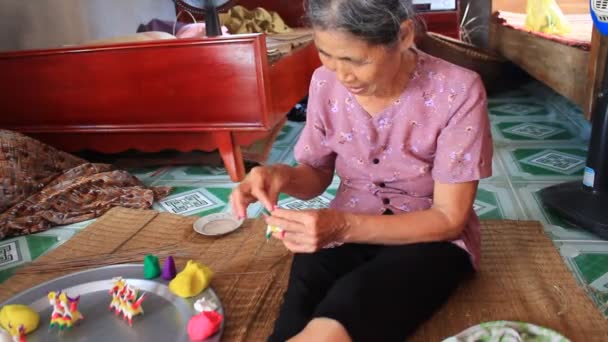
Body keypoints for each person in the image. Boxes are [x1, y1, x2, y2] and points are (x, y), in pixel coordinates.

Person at [229, 0, 493, 341]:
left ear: (403, 35)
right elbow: (316, 172)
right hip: (347, 221)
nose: (341, 75)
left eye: (356, 60)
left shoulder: (458, 91)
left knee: (353, 300)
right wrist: (282, 175)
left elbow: (449, 218)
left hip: (429, 233)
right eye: (325, 53)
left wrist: (340, 227)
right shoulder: (324, 83)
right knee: (302, 299)